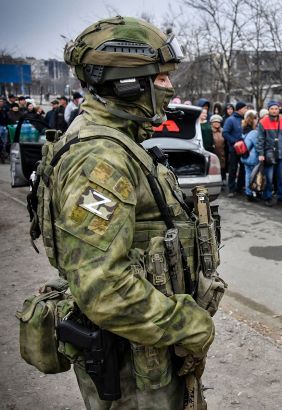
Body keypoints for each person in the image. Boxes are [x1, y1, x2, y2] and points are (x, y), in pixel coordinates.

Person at [30, 16, 216, 408]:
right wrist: (187, 324)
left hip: (146, 350)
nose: (169, 86)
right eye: (161, 77)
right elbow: (103, 288)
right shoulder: (101, 158)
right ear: (127, 83)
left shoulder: (120, 141)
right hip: (132, 366)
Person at [256, 101, 282, 206]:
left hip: (281, 153)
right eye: (272, 109)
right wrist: (261, 153)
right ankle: (267, 197)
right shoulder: (263, 122)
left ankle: (281, 197)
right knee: (268, 178)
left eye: (276, 108)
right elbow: (260, 139)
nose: (274, 111)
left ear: (279, 109)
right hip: (269, 154)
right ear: (268, 110)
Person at [223, 101, 248, 197]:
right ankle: (231, 189)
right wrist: (234, 142)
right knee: (233, 169)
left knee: (243, 168)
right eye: (245, 108)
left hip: (244, 148)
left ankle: (240, 187)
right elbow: (225, 133)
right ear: (240, 109)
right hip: (234, 149)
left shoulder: (245, 119)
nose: (246, 110)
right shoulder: (230, 120)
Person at [241, 111, 260, 201]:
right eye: (256, 118)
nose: (257, 120)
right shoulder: (254, 132)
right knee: (253, 176)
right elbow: (257, 146)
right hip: (252, 157)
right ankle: (253, 192)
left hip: (244, 156)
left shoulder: (244, 129)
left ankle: (248, 193)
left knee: (248, 175)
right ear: (253, 120)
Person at [210, 114, 227, 180]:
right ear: (212, 123)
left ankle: (223, 181)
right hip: (214, 152)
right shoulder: (209, 131)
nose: (217, 123)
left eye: (218, 122)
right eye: (215, 122)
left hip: (222, 152)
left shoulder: (223, 131)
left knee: (222, 168)